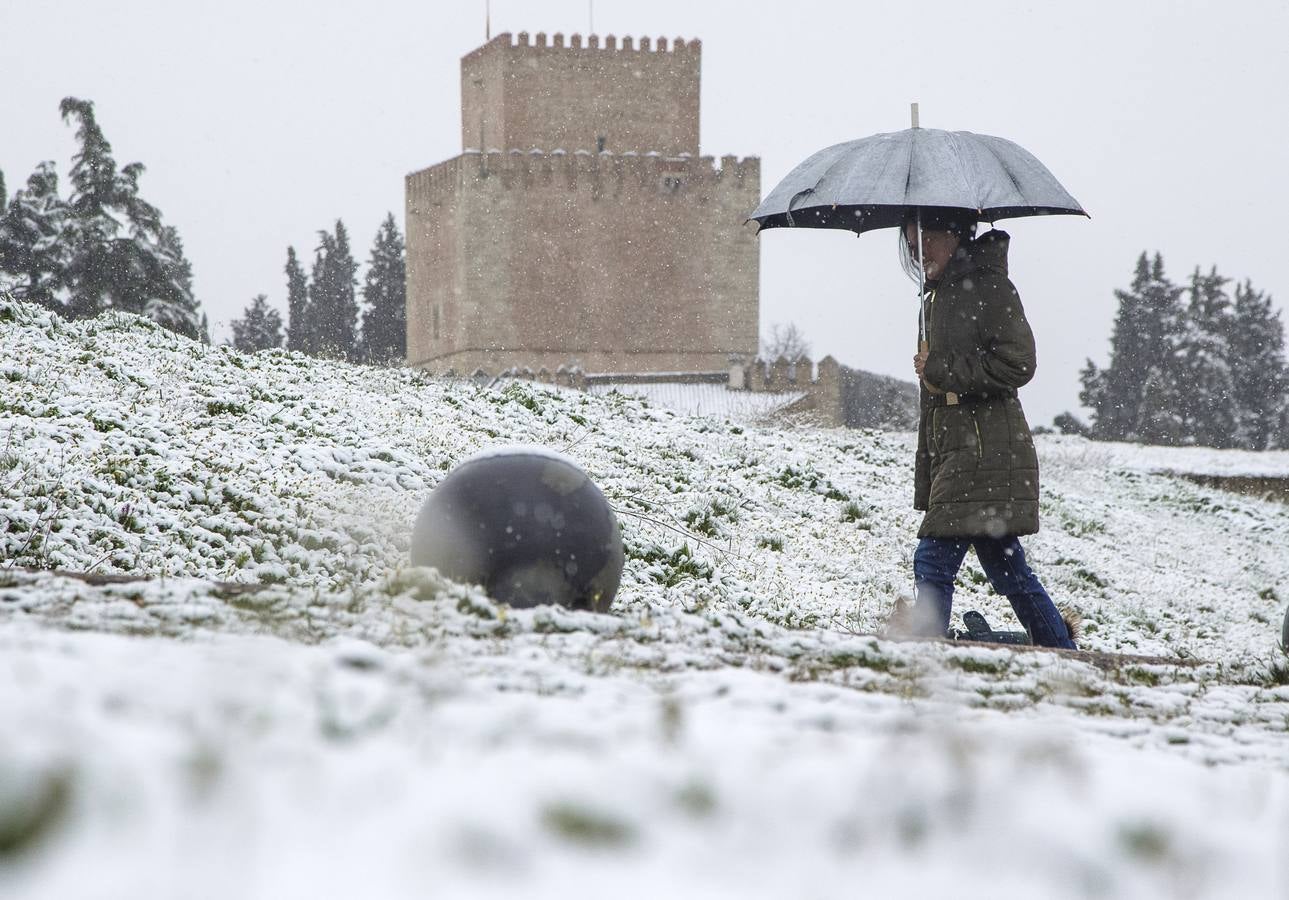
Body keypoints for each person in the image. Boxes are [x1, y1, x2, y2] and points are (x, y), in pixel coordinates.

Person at [900, 207, 1076, 650]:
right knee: (1007, 566)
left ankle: (928, 655)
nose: (918, 253)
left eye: (924, 241)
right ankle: (1062, 651)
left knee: (934, 559)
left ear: (952, 235)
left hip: (984, 449)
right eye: (910, 244)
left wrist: (942, 367)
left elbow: (1018, 363)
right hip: (960, 449)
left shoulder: (991, 287)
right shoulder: (936, 297)